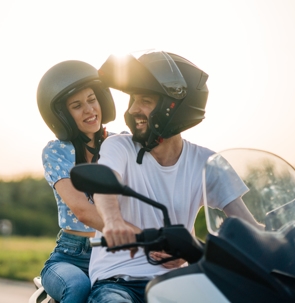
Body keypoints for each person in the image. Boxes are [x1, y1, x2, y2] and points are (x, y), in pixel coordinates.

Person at [87, 51, 260, 303]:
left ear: (174, 108)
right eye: (133, 100)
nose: (134, 109)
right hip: (119, 282)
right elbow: (105, 183)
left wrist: (283, 243)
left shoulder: (207, 163)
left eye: (145, 100)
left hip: (178, 284)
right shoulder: (119, 146)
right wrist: (113, 221)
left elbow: (246, 224)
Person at [36, 60, 118, 303]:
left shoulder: (119, 144)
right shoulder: (57, 151)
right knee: (78, 285)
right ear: (63, 115)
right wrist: (134, 233)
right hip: (70, 255)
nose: (89, 109)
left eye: (92, 99)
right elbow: (82, 210)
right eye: (77, 105)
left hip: (114, 252)